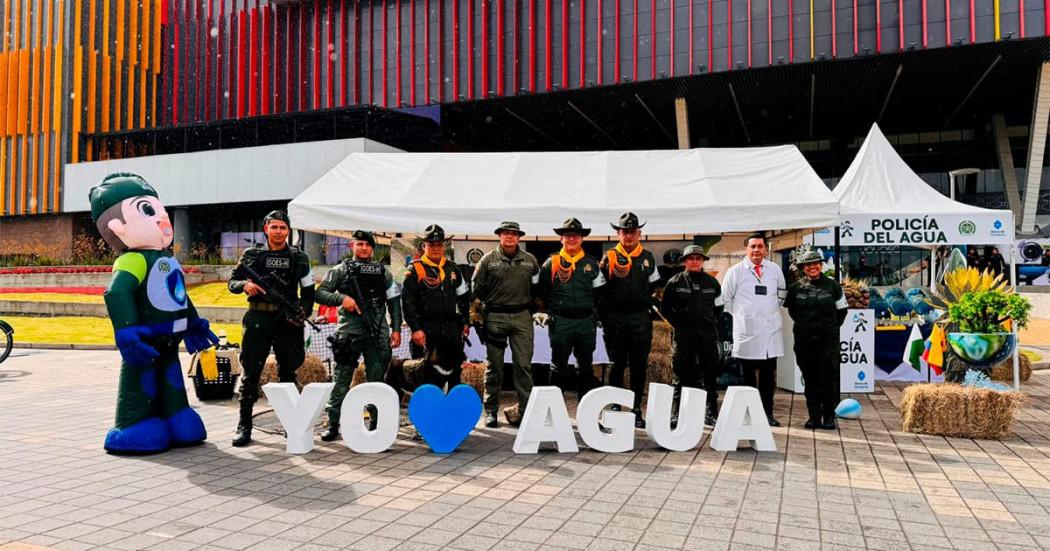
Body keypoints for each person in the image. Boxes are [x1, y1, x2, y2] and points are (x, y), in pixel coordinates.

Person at [228, 210, 315, 447]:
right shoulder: (251, 255)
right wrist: (245, 285)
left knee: (288, 372)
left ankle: (290, 423)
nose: (278, 232)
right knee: (251, 373)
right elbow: (232, 282)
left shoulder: (300, 258)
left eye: (283, 228)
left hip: (288, 321)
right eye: (274, 227)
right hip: (259, 317)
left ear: (289, 231)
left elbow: (308, 292)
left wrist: (303, 313)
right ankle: (244, 424)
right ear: (266, 229)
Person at [316, 230, 403, 441]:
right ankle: (333, 422)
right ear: (352, 246)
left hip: (376, 331)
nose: (364, 248)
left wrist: (397, 329)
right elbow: (320, 293)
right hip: (349, 332)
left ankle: (376, 423)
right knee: (341, 379)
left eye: (368, 245)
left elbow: (394, 303)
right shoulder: (340, 270)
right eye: (360, 244)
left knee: (376, 380)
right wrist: (342, 299)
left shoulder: (383, 273)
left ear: (373, 248)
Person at [472, 221, 541, 427]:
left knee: (524, 366)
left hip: (522, 316)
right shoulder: (487, 260)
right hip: (496, 317)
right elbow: (476, 291)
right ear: (499, 236)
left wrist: (538, 311)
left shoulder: (530, 261)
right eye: (506, 233)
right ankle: (491, 411)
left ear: (519, 237)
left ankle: (526, 410)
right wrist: (478, 317)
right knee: (495, 367)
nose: (510, 237)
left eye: (514, 234)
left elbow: (538, 291)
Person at [598, 212, 660, 429]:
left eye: (633, 231)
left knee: (638, 365)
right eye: (625, 231)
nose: (629, 235)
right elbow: (601, 288)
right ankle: (615, 405)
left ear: (639, 233)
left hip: (640, 319)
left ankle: (635, 408)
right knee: (617, 365)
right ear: (618, 233)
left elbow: (654, 286)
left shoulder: (648, 258)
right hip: (616, 319)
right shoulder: (609, 256)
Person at [536, 218, 605, 400]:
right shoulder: (551, 263)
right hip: (561, 321)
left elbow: (600, 292)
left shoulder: (592, 264)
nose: (572, 240)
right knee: (558, 365)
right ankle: (553, 410)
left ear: (582, 239)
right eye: (568, 236)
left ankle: (585, 412)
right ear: (561, 239)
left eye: (576, 236)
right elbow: (542, 291)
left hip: (585, 322)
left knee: (585, 365)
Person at [721, 233, 786, 427]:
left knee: (767, 377)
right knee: (747, 377)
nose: (756, 250)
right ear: (746, 250)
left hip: (769, 332)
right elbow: (726, 299)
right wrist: (743, 316)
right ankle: (750, 414)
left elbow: (782, 293)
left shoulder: (774, 270)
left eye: (760, 246)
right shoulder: (735, 271)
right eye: (753, 247)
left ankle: (767, 413)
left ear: (765, 249)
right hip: (747, 332)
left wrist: (768, 312)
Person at [660, 245, 723, 426]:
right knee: (680, 375)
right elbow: (666, 309)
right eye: (691, 258)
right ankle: (676, 413)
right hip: (684, 337)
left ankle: (711, 412)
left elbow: (719, 309)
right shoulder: (674, 282)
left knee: (709, 376)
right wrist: (680, 325)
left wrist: (707, 323)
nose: (694, 261)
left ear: (703, 261)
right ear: (685, 261)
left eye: (698, 258)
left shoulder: (713, 283)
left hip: (707, 337)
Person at [401, 224, 470, 389]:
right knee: (425, 376)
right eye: (431, 244)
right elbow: (408, 302)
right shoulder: (415, 270)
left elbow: (463, 298)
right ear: (424, 246)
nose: (436, 248)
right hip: (425, 330)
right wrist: (415, 328)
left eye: (439, 244)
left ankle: (452, 412)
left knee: (454, 374)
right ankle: (426, 413)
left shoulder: (453, 269)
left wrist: (465, 322)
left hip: (450, 331)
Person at [784, 250, 848, 430]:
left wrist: (828, 329)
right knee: (810, 378)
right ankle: (813, 417)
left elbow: (841, 312)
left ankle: (828, 417)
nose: (812, 267)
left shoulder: (833, 286)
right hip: (804, 340)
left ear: (820, 265)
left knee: (828, 378)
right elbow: (793, 312)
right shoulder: (796, 287)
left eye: (816, 264)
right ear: (803, 268)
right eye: (808, 265)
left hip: (827, 340)